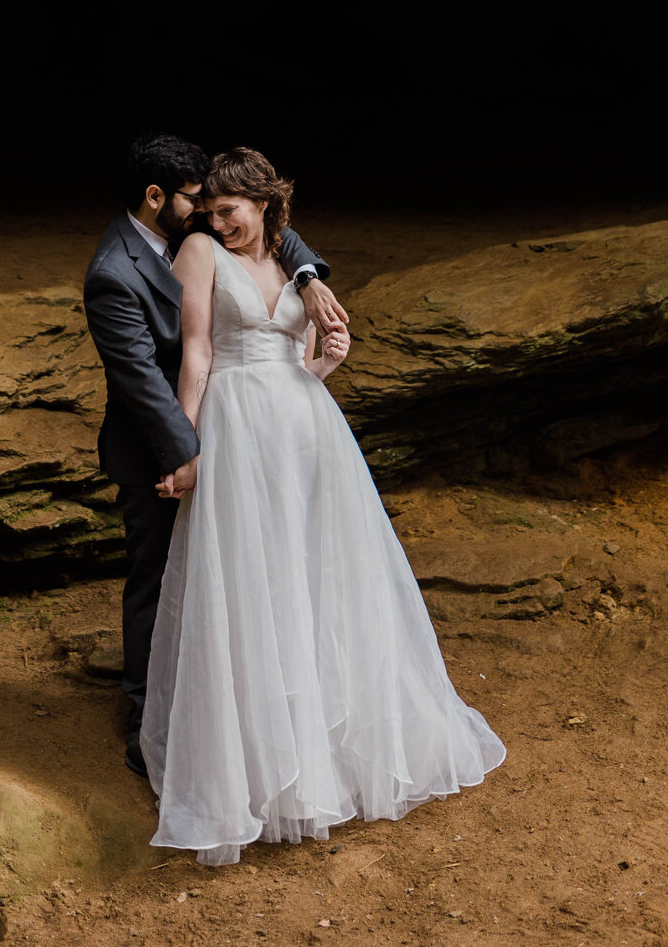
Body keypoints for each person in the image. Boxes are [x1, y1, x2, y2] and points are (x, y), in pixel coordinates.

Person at [141, 146, 505, 865]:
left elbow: (302, 363)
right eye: (211, 214)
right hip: (238, 428)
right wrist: (182, 450)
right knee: (253, 581)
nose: (219, 224)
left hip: (307, 431)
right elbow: (197, 357)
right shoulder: (200, 257)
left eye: (231, 212)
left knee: (317, 575)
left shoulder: (294, 268)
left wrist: (329, 359)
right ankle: (259, 764)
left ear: (266, 204)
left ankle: (329, 755)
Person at [83, 132, 349, 776]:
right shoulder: (114, 273)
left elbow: (277, 234)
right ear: (156, 200)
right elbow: (144, 381)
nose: (208, 214)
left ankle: (271, 694)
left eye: (223, 206)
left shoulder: (214, 232)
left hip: (260, 423)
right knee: (161, 577)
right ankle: (152, 718)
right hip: (163, 438)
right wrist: (187, 453)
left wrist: (310, 280)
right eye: (198, 203)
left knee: (267, 560)